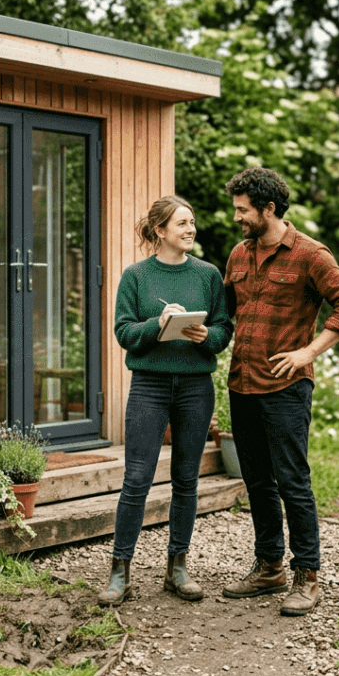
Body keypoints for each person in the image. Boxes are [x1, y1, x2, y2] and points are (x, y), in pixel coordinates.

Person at [219, 167, 339, 617]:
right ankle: (269, 567)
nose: (238, 218)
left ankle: (307, 575)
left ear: (269, 208)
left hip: (285, 388)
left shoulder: (310, 255)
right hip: (242, 383)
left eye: (244, 210)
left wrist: (308, 352)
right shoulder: (238, 255)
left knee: (292, 482)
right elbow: (228, 317)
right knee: (256, 481)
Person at [98, 195, 233, 607]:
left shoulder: (208, 276)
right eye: (182, 224)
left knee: (186, 480)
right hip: (150, 387)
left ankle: (178, 568)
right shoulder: (136, 276)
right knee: (136, 478)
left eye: (192, 222)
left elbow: (223, 330)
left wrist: (203, 336)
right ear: (160, 231)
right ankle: (120, 572)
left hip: (195, 388)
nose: (190, 230)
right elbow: (123, 332)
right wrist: (157, 325)